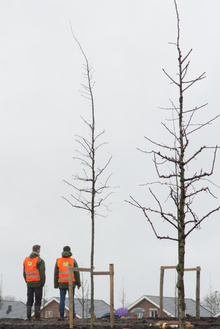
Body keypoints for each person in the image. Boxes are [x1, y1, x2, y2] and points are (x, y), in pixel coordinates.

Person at [54, 246, 81, 320]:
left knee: (62, 299)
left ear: (63, 251)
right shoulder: (72, 261)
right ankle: (72, 315)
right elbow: (76, 273)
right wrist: (78, 284)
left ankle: (61, 316)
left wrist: (56, 284)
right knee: (71, 299)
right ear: (70, 251)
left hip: (62, 283)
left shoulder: (58, 260)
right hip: (71, 283)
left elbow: (56, 273)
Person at [23, 244, 46, 321]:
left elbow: (24, 273)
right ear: (38, 250)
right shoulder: (40, 260)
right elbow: (42, 273)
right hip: (37, 283)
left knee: (29, 299)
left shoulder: (26, 260)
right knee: (38, 299)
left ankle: (28, 317)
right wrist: (42, 282)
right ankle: (37, 317)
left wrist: (27, 281)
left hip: (29, 283)